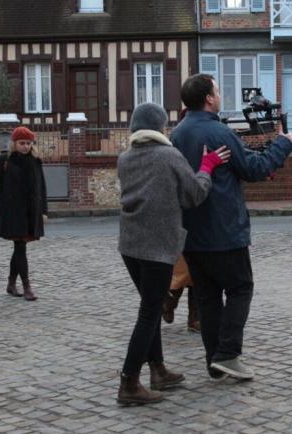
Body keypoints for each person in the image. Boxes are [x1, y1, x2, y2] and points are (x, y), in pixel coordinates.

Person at [170, 73, 292, 381]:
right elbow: (253, 169)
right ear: (209, 99)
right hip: (223, 229)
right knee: (241, 288)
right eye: (217, 90)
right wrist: (282, 144)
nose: (220, 95)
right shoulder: (218, 132)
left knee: (208, 296)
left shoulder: (177, 134)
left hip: (192, 232)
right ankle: (227, 352)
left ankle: (215, 360)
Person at [116, 102, 230, 406]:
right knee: (149, 312)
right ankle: (129, 382)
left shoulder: (125, 158)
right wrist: (207, 167)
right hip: (157, 246)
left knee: (149, 306)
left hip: (130, 245)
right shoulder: (168, 155)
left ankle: (158, 370)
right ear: (160, 127)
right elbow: (194, 194)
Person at [0, 126, 48, 301]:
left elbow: (42, 188)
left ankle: (11, 283)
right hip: (12, 210)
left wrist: (44, 211)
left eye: (29, 143)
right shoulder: (4, 160)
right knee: (20, 245)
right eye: (22, 143)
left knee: (19, 246)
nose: (26, 146)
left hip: (31, 211)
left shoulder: (36, 161)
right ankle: (27, 286)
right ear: (14, 143)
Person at [162, 106, 200, 333]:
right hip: (182, 213)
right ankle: (169, 301)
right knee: (184, 267)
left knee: (197, 270)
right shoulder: (174, 148)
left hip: (199, 210)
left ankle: (193, 317)